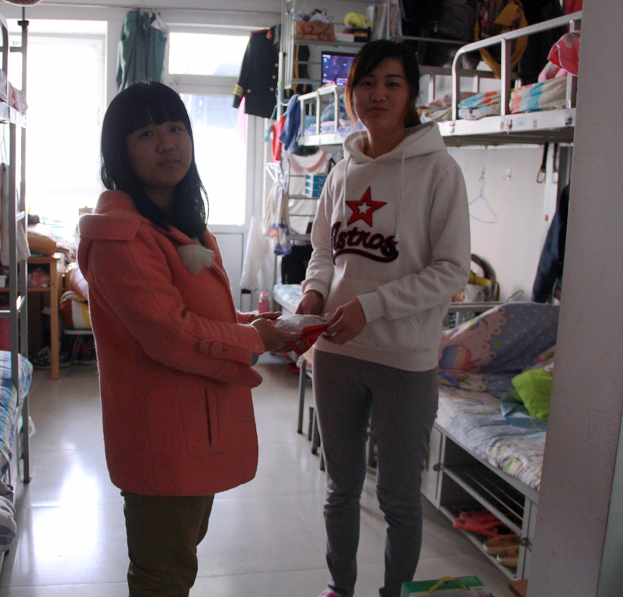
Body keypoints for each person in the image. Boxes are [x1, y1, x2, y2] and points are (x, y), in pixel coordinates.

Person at [77, 81, 297, 597]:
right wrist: (253, 339)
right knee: (162, 574)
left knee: (179, 555)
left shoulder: (180, 224)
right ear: (119, 151)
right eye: (147, 134)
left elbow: (196, 313)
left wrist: (258, 325)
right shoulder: (120, 236)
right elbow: (171, 333)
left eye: (176, 128)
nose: (167, 144)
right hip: (161, 433)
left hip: (194, 427)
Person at [296, 40, 471, 597]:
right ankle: (339, 588)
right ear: (352, 93)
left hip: (405, 357)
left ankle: (395, 592)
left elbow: (452, 269)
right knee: (340, 488)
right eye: (366, 84)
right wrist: (313, 294)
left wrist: (371, 307)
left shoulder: (440, 171)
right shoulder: (343, 169)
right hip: (337, 352)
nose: (377, 95)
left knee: (398, 497)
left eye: (392, 83)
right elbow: (323, 250)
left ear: (412, 94)